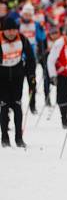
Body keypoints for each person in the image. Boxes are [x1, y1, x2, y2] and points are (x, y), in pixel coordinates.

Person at [0, 17, 36, 147]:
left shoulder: (22, 39)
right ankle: (4, 137)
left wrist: (31, 76)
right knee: (4, 107)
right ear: (3, 30)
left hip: (17, 77)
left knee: (17, 106)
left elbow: (31, 59)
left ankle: (19, 138)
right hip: (2, 78)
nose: (11, 33)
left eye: (14, 30)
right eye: (8, 30)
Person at [17, 3, 46, 114]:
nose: (27, 16)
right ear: (22, 14)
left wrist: (42, 29)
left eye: (29, 14)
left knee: (32, 82)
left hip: (31, 57)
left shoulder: (36, 24)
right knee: (17, 82)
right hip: (19, 57)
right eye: (25, 14)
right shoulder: (17, 23)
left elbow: (41, 37)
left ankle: (32, 104)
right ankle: (16, 103)